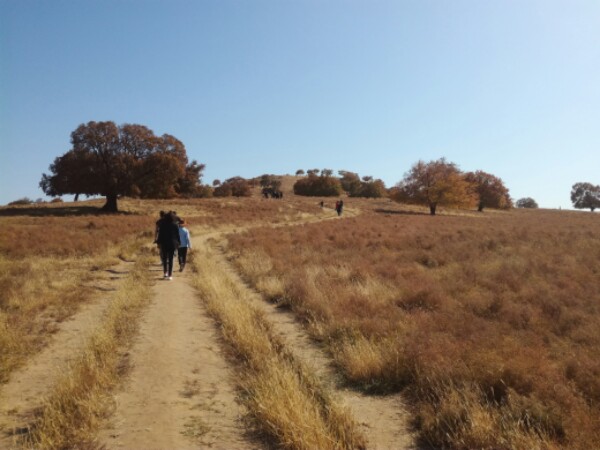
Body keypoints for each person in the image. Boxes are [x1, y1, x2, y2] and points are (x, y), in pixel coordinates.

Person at [156, 212, 180, 280]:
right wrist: (179, 243)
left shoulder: (162, 225)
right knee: (170, 259)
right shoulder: (175, 225)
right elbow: (178, 235)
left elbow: (160, 235)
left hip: (164, 244)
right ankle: (170, 275)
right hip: (172, 244)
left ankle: (165, 273)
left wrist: (158, 243)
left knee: (164, 259)